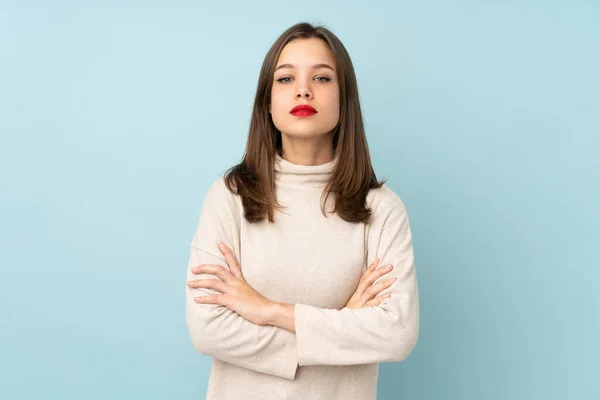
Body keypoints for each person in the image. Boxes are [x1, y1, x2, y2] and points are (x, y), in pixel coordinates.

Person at [184, 21, 420, 400]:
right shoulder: (230, 197)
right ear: (268, 102)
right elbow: (208, 327)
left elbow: (397, 333)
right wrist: (341, 325)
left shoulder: (380, 209)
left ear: (346, 100)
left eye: (323, 78)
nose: (303, 90)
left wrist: (270, 311)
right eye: (285, 78)